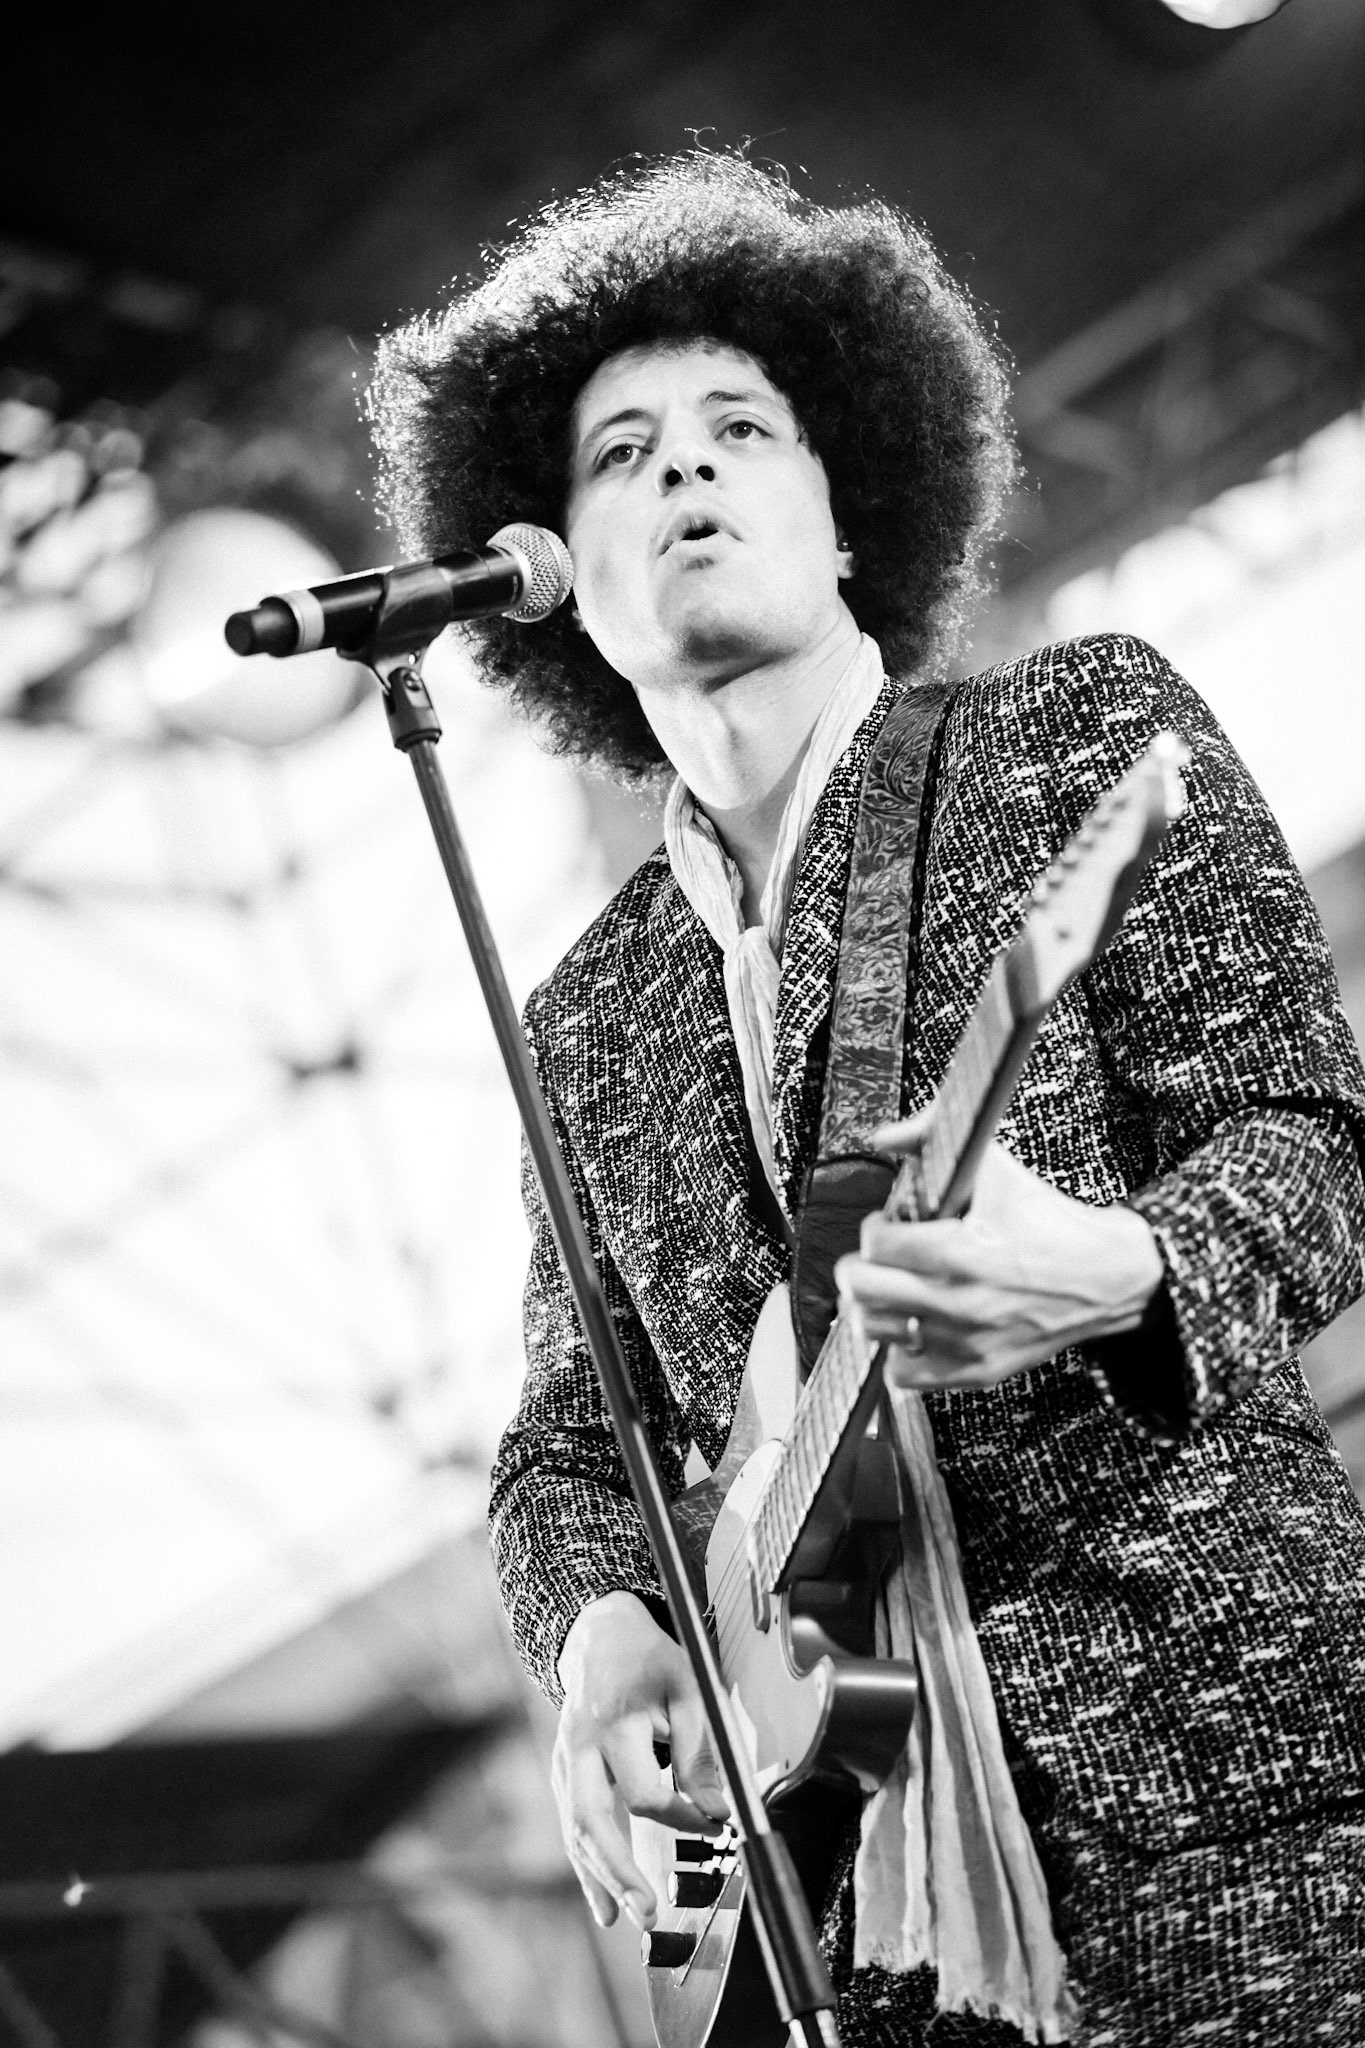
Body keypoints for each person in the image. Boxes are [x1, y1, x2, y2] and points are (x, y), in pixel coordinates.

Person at [370, 152, 1365, 2045]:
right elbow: (568, 1448)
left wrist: (1133, 1265)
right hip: (866, 1921)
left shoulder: (1068, 736)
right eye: (618, 453)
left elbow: (1321, 1139)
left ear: (847, 519)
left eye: (740, 427)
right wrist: (595, 1635)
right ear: (560, 587)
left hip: (1242, 1810)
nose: (680, 470)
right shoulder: (582, 1023)